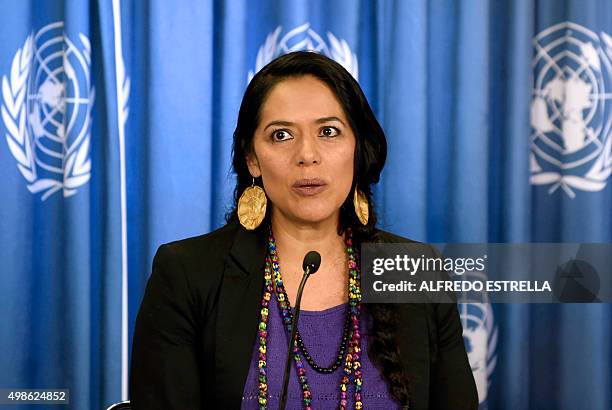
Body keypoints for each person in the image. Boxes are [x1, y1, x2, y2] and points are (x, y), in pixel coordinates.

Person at [130, 51, 478, 410]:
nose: (307, 155)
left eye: (328, 132)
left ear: (357, 148)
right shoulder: (188, 273)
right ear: (253, 158)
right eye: (281, 135)